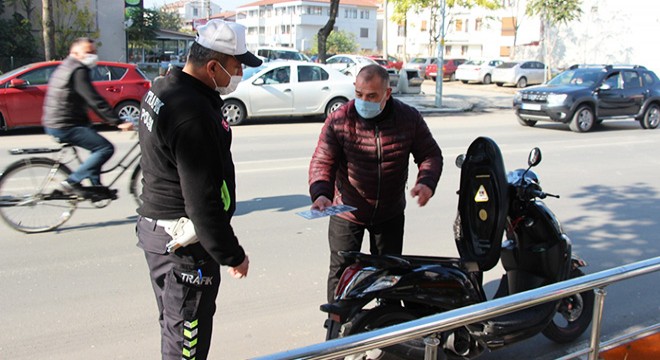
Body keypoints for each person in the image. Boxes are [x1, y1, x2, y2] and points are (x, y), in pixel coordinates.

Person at [135, 19, 261, 360]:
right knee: (186, 343)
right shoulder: (191, 113)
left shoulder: (163, 89)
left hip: (158, 234)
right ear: (213, 66)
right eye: (237, 66)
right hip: (185, 250)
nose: (239, 74)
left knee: (173, 327)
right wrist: (232, 254)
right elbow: (202, 203)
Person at [308, 64, 444, 302]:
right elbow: (322, 161)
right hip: (347, 212)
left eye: (371, 96)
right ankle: (337, 329)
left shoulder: (408, 118)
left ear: (387, 94)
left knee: (389, 274)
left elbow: (430, 154)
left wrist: (426, 182)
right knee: (341, 274)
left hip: (389, 213)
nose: (364, 101)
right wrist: (321, 192)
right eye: (359, 94)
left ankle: (386, 324)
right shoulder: (340, 119)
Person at [42, 37, 133, 198]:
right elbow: (93, 98)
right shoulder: (78, 70)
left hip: (59, 121)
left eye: (94, 52)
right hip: (64, 125)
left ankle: (96, 187)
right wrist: (117, 121)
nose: (93, 56)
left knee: (95, 143)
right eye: (88, 52)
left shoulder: (66, 66)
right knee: (105, 148)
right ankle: (72, 182)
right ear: (75, 53)